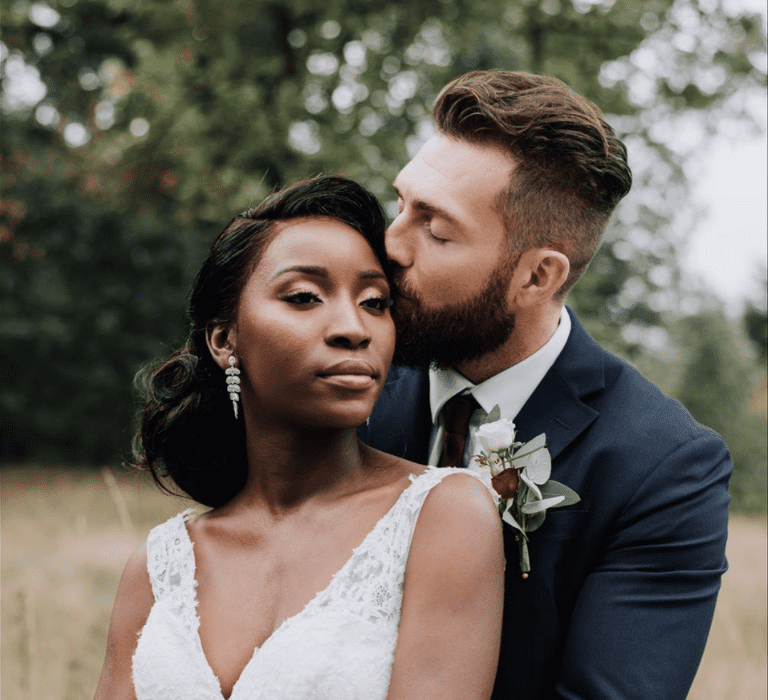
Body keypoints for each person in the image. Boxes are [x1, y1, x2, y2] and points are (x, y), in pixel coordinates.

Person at [358, 71, 732, 699]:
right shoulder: (346, 377)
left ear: (537, 276)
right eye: (400, 204)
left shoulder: (663, 469)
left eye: (436, 228)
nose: (390, 244)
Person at [93, 175, 504, 700]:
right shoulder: (159, 566)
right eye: (305, 296)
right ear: (225, 340)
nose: (353, 328)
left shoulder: (444, 515)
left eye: (375, 302)